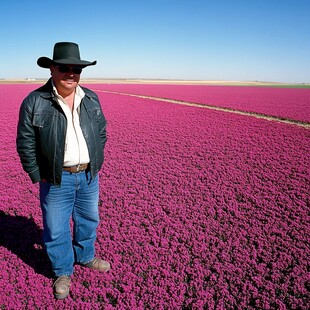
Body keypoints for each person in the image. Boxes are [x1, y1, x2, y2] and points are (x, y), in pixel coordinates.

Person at [16, 42, 110, 300]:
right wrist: (38, 174)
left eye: (76, 68)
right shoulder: (35, 101)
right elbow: (25, 142)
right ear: (52, 70)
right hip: (56, 178)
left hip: (89, 175)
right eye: (65, 68)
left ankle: (85, 256)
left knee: (89, 219)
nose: (71, 73)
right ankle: (62, 270)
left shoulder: (90, 97)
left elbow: (101, 131)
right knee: (56, 228)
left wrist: (96, 162)